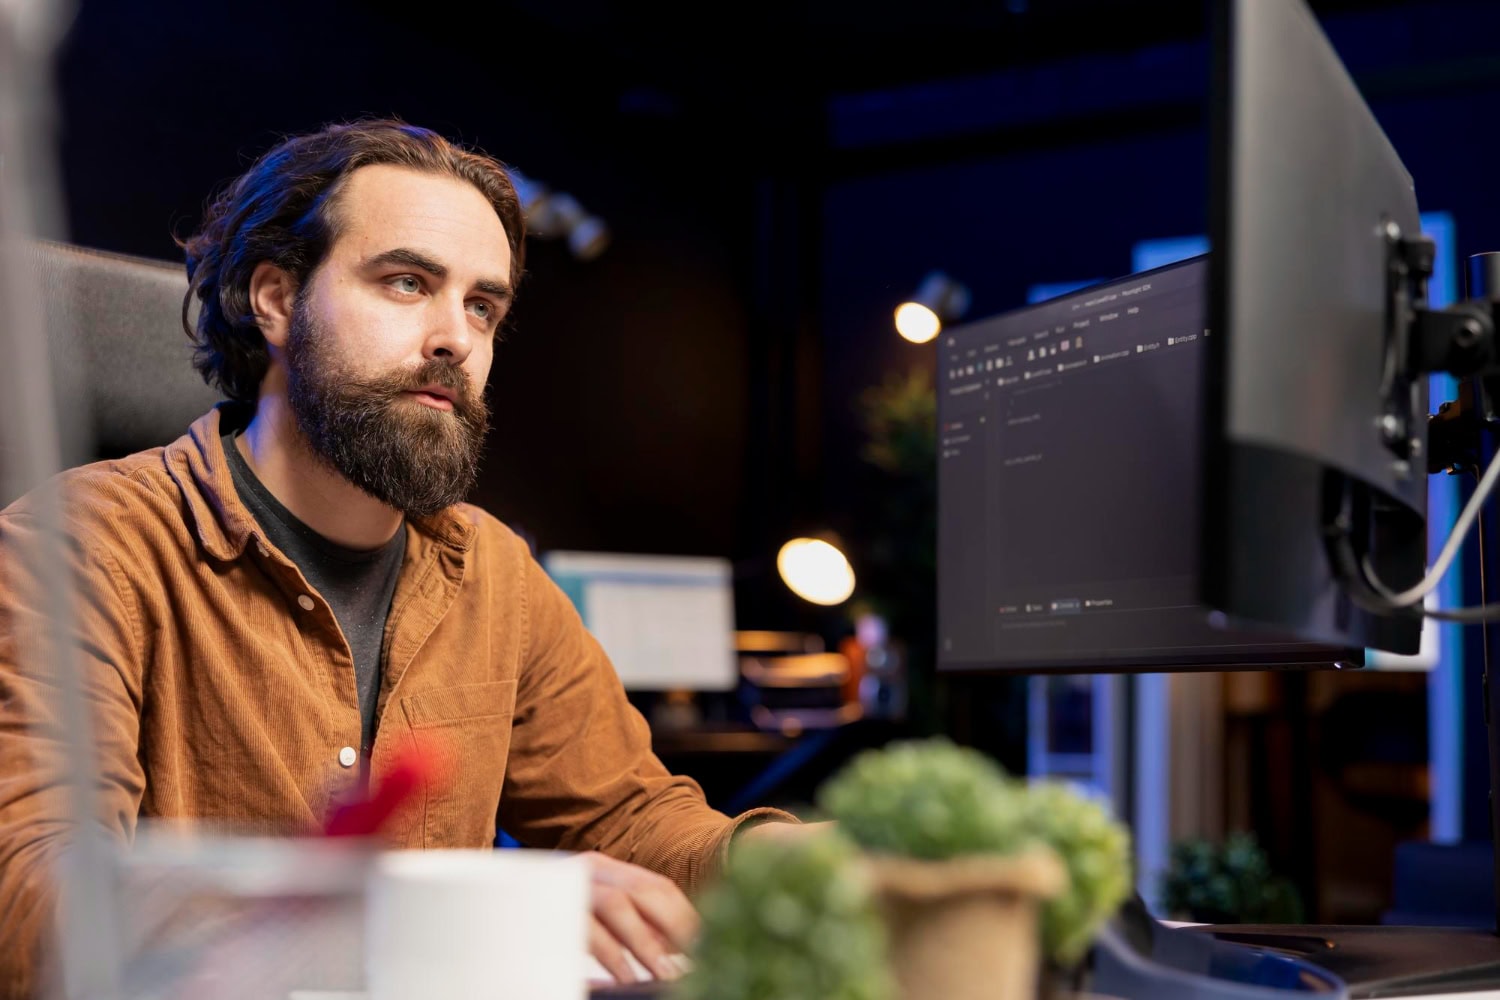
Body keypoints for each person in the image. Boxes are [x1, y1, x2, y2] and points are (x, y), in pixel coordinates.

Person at [0, 119, 801, 998]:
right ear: (274, 298)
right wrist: (473, 906)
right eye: (407, 283)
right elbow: (41, 899)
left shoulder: (493, 571)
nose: (455, 338)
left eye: (482, 306)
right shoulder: (81, 548)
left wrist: (787, 861)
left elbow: (625, 817)